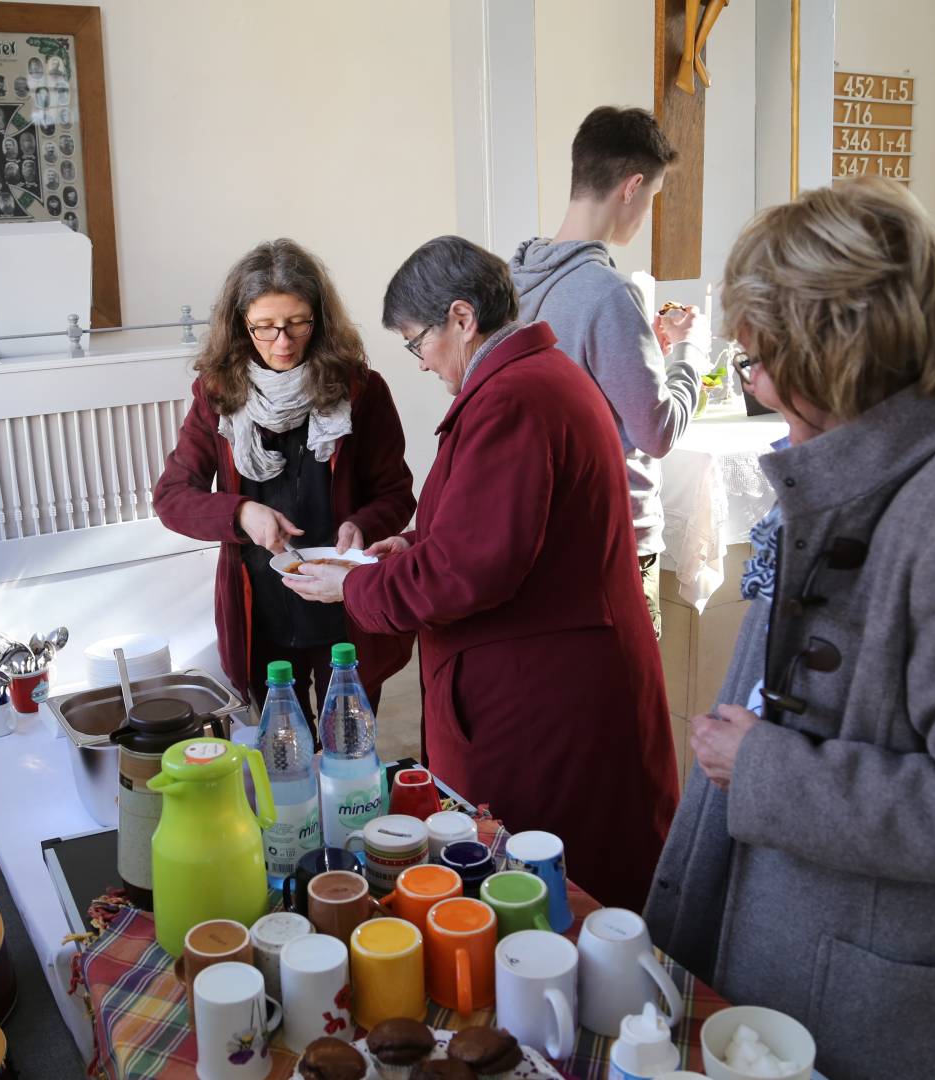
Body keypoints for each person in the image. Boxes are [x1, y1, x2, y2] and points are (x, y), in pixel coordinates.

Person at [642, 178, 935, 1079]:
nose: (757, 384)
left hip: (913, 1004)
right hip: (846, 950)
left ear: (838, 354)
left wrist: (767, 769)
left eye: (761, 359)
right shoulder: (894, 456)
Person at [287, 236, 676, 909]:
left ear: (462, 318)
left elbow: (470, 570)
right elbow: (496, 526)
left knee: (547, 891)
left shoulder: (514, 398)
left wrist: (352, 585)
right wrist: (410, 543)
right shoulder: (530, 379)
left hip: (544, 700)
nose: (420, 362)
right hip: (547, 675)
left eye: (417, 342)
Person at [155, 239, 415, 726]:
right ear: (241, 324)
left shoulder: (361, 391)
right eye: (265, 327)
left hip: (345, 606)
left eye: (298, 323)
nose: (283, 342)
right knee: (281, 750)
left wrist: (363, 524)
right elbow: (171, 497)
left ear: (319, 318)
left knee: (348, 745)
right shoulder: (217, 394)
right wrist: (239, 512)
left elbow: (396, 493)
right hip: (261, 613)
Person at [510, 106, 705, 640]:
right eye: (653, 197)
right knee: (627, 685)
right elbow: (656, 432)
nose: (646, 212)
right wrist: (689, 353)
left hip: (540, 528)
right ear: (632, 186)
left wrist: (646, 354)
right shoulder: (607, 292)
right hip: (612, 538)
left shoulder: (512, 279)